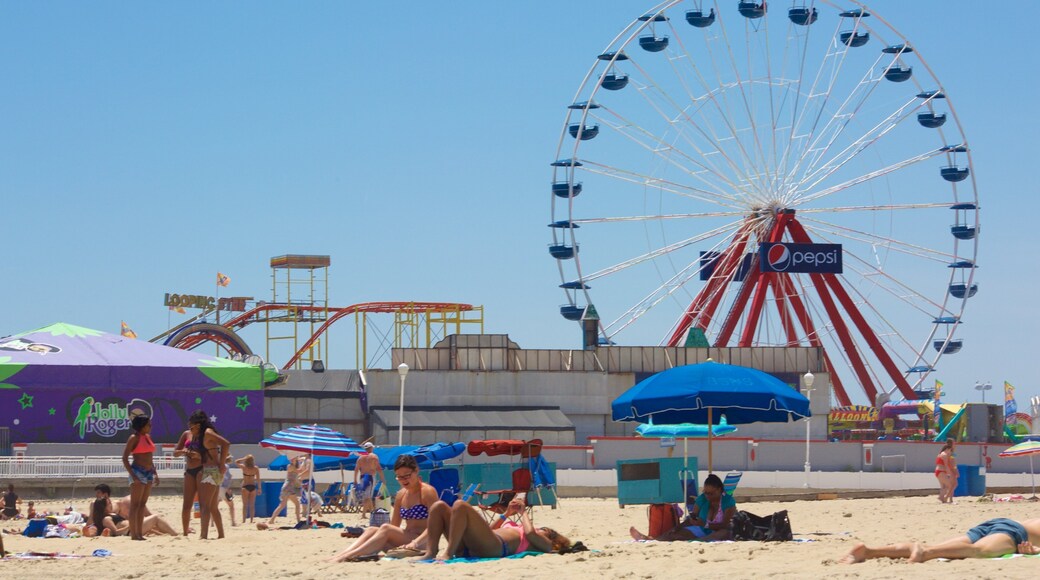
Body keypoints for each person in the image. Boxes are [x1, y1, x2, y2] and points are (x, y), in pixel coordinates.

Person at [327, 454, 438, 562]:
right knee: (372, 529)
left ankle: (348, 556)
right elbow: (395, 526)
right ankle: (343, 554)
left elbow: (435, 526)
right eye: (399, 477)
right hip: (405, 540)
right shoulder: (401, 494)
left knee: (385, 527)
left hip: (422, 542)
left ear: (416, 471)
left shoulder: (427, 492)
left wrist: (414, 543)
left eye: (407, 475)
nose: (403, 480)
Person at [417, 495, 571, 561]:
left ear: (552, 537)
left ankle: (448, 553)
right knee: (438, 506)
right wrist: (507, 513)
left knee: (460, 505)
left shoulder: (545, 544)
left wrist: (523, 512)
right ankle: (431, 552)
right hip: (479, 543)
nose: (541, 528)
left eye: (545, 529)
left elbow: (530, 533)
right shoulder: (517, 527)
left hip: (496, 547)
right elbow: (489, 530)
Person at [840, 517, 1040, 563]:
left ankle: (868, 551)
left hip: (996, 523)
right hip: (1013, 531)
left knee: (945, 548)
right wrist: (1034, 551)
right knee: (980, 551)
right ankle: (924, 553)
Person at [630, 473, 736, 542]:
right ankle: (650, 540)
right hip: (702, 530)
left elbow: (725, 525)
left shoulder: (728, 502)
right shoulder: (703, 499)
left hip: (720, 531)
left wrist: (705, 524)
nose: (708, 496)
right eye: (706, 493)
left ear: (720, 490)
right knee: (675, 534)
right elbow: (692, 519)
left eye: (711, 493)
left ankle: (701, 540)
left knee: (723, 532)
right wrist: (677, 527)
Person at [190, 411, 231, 539]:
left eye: (191, 427)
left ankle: (204, 535)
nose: (190, 430)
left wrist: (222, 464)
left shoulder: (207, 433)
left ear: (197, 425)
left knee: (205, 505)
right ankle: (221, 535)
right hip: (213, 470)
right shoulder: (204, 434)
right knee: (213, 506)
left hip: (211, 471)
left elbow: (226, 443)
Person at [121, 414, 157, 540]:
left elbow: (149, 456)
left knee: (142, 504)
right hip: (138, 471)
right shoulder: (134, 438)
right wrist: (133, 475)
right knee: (135, 504)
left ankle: (139, 532)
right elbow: (125, 458)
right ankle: (134, 533)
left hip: (148, 472)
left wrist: (155, 472)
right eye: (148, 424)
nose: (150, 426)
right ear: (141, 426)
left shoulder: (147, 437)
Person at [173, 410, 206, 536]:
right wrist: (184, 451)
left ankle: (204, 531)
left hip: (201, 468)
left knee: (203, 503)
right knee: (187, 503)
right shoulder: (186, 434)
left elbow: (209, 454)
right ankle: (185, 531)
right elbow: (175, 452)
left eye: (192, 424)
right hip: (189, 469)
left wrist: (198, 455)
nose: (189, 427)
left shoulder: (205, 435)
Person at [268, 455, 305, 525]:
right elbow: (299, 471)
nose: (291, 460)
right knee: (294, 504)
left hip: (288, 487)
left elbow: (296, 478)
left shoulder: (295, 466)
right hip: (288, 487)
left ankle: (272, 520)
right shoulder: (290, 466)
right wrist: (303, 461)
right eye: (291, 459)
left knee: (283, 505)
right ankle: (298, 520)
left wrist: (300, 484)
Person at [354, 441, 387, 516]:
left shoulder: (360, 457)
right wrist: (383, 479)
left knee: (366, 496)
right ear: (371, 448)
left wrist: (355, 480)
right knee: (368, 497)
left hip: (362, 477)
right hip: (370, 477)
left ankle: (372, 512)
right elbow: (379, 469)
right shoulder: (374, 457)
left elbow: (356, 469)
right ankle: (364, 514)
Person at [236, 454, 261, 524]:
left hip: (245, 487)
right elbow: (258, 479)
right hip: (253, 487)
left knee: (245, 505)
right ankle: (251, 520)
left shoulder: (244, 467)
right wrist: (259, 488)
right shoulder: (256, 468)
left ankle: (244, 520)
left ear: (246, 461)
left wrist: (243, 458)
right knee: (252, 505)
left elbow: (236, 461)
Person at [935, 438, 956, 503]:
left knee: (944, 486)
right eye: (950, 451)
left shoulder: (941, 453)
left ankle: (942, 498)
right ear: (948, 449)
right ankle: (942, 498)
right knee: (950, 486)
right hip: (941, 471)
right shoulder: (945, 455)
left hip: (938, 471)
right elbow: (946, 465)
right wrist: (949, 473)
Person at [219, 455, 237, 527]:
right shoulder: (226, 466)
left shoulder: (219, 465)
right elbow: (225, 477)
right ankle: (233, 522)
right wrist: (227, 488)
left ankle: (212, 523)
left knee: (214, 506)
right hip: (223, 487)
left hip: (217, 487)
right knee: (231, 506)